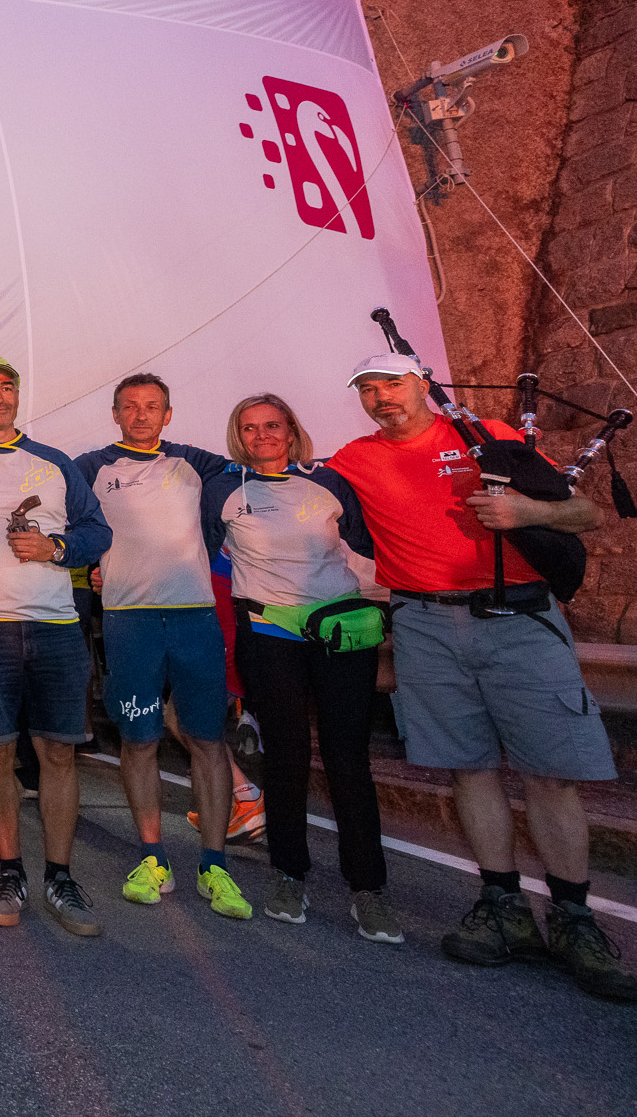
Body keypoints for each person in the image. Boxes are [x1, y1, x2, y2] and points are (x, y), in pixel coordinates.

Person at [327, 355, 635, 1001]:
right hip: (424, 625)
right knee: (468, 768)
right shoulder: (354, 459)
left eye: (392, 383)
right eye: (368, 389)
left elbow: (585, 513)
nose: (381, 397)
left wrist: (525, 511)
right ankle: (503, 905)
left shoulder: (486, 435)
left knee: (550, 773)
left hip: (519, 618)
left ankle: (574, 918)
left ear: (423, 385)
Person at [201, 393, 397, 942]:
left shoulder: (329, 481)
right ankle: (289, 875)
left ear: (291, 430)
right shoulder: (223, 490)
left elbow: (370, 546)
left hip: (340, 632)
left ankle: (368, 889)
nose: (262, 435)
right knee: (285, 757)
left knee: (348, 760)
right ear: (238, 437)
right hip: (269, 636)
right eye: (250, 427)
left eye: (272, 425)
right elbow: (194, 552)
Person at [0, 356, 111, 936]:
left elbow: (97, 531)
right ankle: (10, 872)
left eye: (7, 386)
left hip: (56, 626)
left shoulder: (54, 462)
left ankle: (60, 876)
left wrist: (56, 548)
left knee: (58, 754)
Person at [73, 374, 250, 920]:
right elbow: (70, 526)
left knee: (207, 740)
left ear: (168, 414)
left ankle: (214, 864)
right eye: (130, 406)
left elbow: (252, 478)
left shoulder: (195, 462)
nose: (141, 414)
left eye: (152, 406)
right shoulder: (90, 467)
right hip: (129, 622)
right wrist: (93, 566)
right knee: (139, 739)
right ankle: (154, 859)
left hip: (195, 617)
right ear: (115, 413)